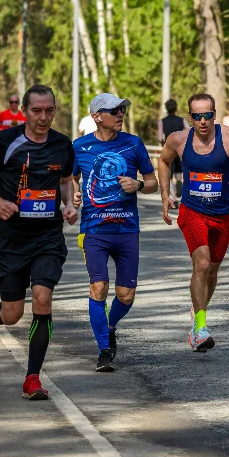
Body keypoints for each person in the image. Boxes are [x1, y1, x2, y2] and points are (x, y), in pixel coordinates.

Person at [0, 85, 78, 400]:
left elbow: (65, 180)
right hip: (11, 240)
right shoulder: (6, 141)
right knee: (13, 314)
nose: (43, 117)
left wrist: (69, 205)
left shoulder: (62, 144)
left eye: (49, 110)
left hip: (47, 237)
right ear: (25, 111)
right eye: (36, 110)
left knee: (43, 299)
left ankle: (32, 378)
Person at [157, 93, 229, 352]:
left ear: (215, 114)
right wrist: (165, 194)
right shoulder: (178, 139)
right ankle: (200, 328)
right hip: (192, 211)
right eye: (197, 116)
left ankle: (198, 311)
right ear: (190, 117)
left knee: (212, 269)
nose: (203, 121)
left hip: (222, 214)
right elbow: (163, 161)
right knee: (201, 263)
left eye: (208, 115)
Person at [73, 93, 158, 371]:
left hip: (127, 229)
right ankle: (104, 350)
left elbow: (153, 182)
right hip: (94, 229)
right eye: (114, 110)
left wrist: (138, 185)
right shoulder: (80, 146)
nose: (121, 113)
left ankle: (109, 326)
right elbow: (69, 177)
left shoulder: (133, 143)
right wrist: (73, 194)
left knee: (126, 295)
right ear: (97, 117)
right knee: (98, 287)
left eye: (122, 109)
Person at [158, 99, 187, 199]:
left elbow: (159, 137)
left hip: (169, 149)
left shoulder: (162, 121)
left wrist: (163, 143)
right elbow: (189, 130)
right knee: (179, 170)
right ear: (176, 108)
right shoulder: (182, 120)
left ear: (166, 108)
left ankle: (173, 197)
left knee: (169, 173)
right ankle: (179, 181)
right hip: (180, 149)